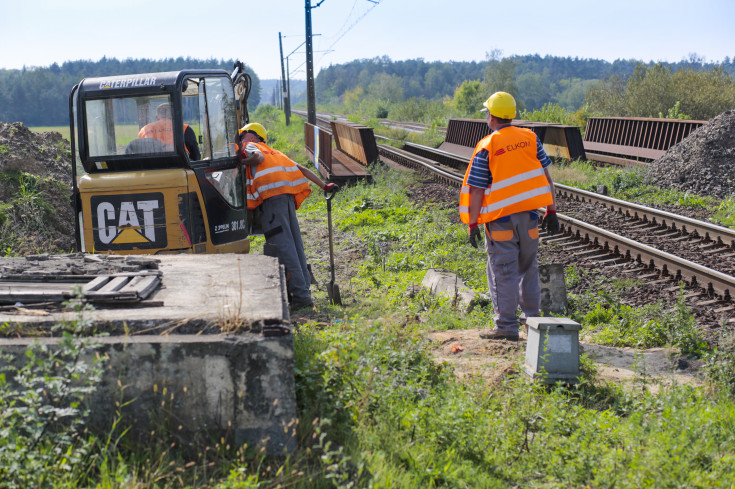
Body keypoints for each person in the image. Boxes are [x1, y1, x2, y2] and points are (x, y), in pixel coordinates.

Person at [459, 92, 560, 340]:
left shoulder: (488, 146)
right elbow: (547, 176)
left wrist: (472, 224)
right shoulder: (530, 139)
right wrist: (552, 209)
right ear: (511, 115)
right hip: (529, 218)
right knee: (528, 269)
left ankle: (506, 327)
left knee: (503, 271)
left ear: (491, 116)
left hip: (501, 221)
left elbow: (476, 190)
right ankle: (532, 323)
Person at [238, 122, 339, 310]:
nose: (240, 140)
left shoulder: (250, 146)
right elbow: (302, 169)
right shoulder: (276, 153)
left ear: (251, 135)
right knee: (294, 242)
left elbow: (256, 158)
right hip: (287, 198)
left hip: (272, 200)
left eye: (242, 136)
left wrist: (240, 161)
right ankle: (304, 286)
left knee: (282, 245)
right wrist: (324, 185)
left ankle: (301, 297)